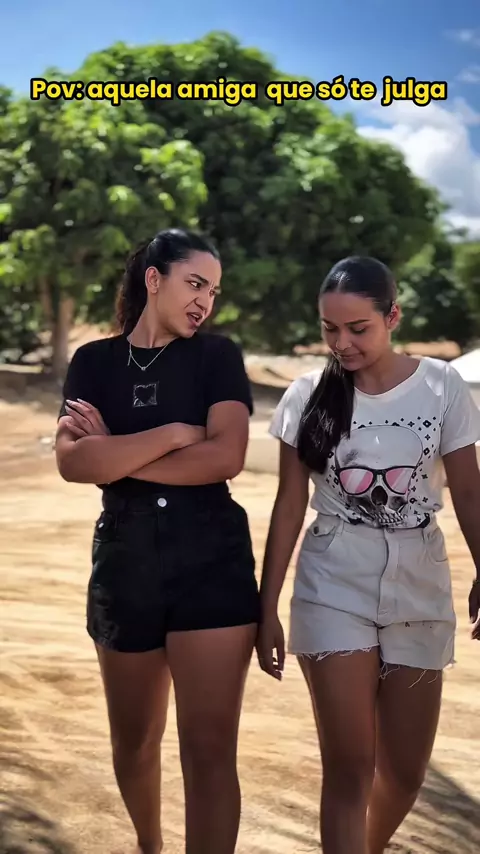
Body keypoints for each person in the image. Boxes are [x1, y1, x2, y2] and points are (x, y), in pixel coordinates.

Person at [256, 255, 480, 854]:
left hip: (420, 579)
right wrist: (266, 605)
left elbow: (469, 490)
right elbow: (288, 505)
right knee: (350, 767)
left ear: (393, 317)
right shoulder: (307, 395)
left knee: (404, 773)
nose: (342, 343)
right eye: (330, 329)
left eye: (358, 328)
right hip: (333, 579)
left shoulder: (442, 386)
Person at [55, 227, 260, 854]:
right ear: (154, 278)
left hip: (213, 561)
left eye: (213, 291)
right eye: (194, 284)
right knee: (135, 743)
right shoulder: (93, 362)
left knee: (209, 748)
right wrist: (173, 433)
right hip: (125, 563)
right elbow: (72, 462)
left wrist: (115, 455)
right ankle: (150, 846)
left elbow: (224, 457)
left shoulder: (216, 357)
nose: (205, 301)